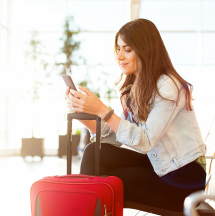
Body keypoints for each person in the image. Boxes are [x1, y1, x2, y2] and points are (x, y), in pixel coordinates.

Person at [65, 18, 206, 212]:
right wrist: (87, 112)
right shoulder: (136, 89)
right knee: (95, 153)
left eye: (128, 49)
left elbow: (145, 141)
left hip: (183, 180)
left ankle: (79, 211)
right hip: (162, 167)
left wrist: (101, 109)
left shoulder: (169, 86)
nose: (120, 56)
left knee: (108, 183)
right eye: (118, 49)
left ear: (145, 50)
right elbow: (116, 135)